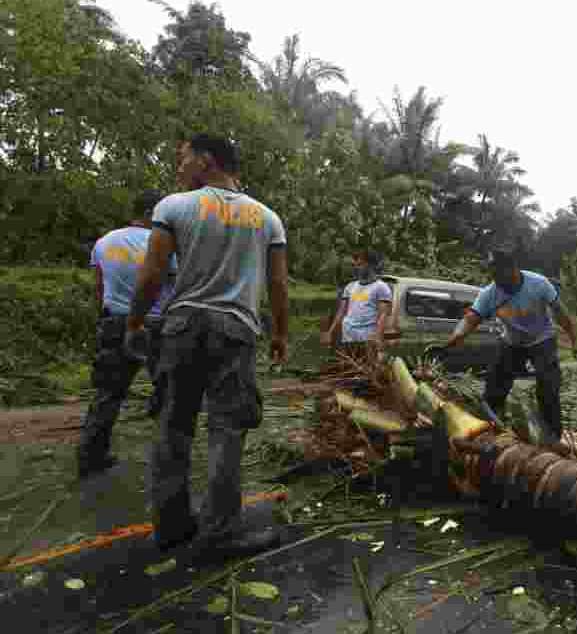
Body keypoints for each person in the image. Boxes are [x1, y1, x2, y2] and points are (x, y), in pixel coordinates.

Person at [125, 133, 289, 557]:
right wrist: (281, 335)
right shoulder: (268, 219)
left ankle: (172, 526)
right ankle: (219, 534)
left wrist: (135, 322)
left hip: (181, 328)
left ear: (207, 160)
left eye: (184, 158)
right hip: (235, 331)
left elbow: (153, 273)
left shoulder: (173, 207)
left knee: (174, 427)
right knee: (226, 432)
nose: (179, 166)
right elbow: (277, 284)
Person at [78, 189, 177, 478]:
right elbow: (173, 282)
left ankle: (90, 456)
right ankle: (168, 459)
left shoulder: (104, 242)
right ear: (150, 214)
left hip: (114, 322)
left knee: (108, 391)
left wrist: (107, 317)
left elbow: (99, 287)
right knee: (168, 391)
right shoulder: (160, 242)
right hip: (157, 325)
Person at [442, 246, 577, 444]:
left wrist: (575, 342)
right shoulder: (489, 293)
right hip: (512, 342)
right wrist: (456, 336)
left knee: (548, 388)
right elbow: (471, 318)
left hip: (542, 340)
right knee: (494, 388)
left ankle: (553, 438)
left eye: (499, 272)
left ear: (513, 268)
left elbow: (562, 314)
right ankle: (487, 430)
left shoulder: (539, 284)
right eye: (492, 273)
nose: (496, 278)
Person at [321, 250, 393, 355]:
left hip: (366, 338)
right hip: (348, 337)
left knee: (366, 368)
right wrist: (330, 333)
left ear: (371, 265)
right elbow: (341, 313)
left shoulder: (381, 287)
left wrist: (377, 335)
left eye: (360, 265)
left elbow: (382, 314)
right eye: (355, 265)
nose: (356, 268)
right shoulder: (350, 287)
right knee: (347, 367)